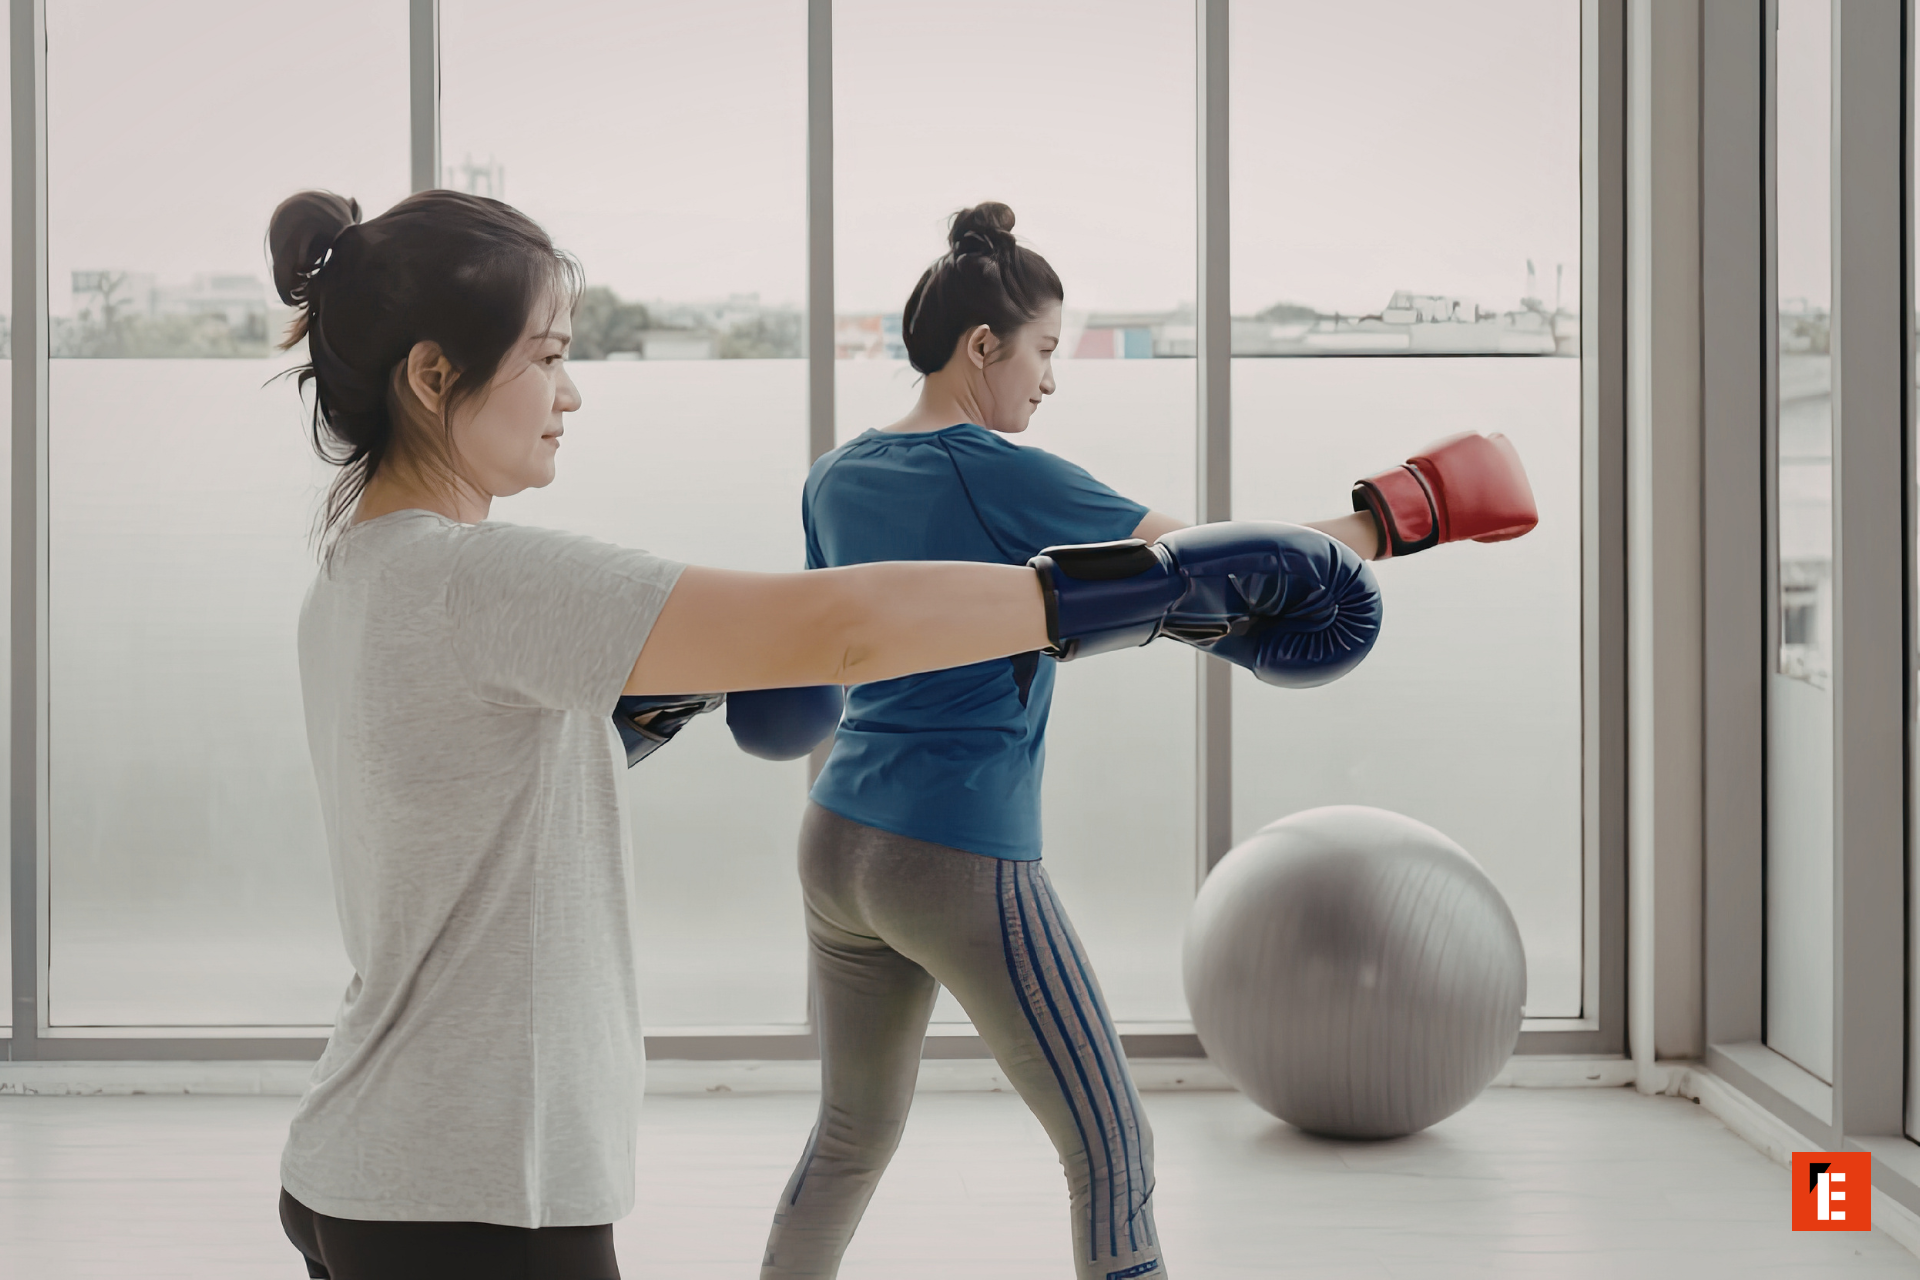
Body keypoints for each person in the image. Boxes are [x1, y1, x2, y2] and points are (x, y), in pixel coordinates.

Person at [266, 189, 1391, 1280]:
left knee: (855, 1129)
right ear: (431, 375)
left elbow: (455, 794)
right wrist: (1115, 593)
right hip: (471, 1193)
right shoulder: (484, 579)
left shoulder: (358, 578)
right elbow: (841, 622)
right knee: (1097, 1139)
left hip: (364, 1158)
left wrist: (634, 725)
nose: (572, 393)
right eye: (550, 355)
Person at [758, 203, 1536, 1280]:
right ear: (983, 347)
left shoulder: (834, 473)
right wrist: (1403, 515)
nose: (1049, 378)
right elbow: (1224, 567)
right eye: (1041, 351)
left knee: (850, 1132)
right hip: (955, 849)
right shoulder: (999, 470)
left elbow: (820, 649)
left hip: (836, 841)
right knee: (1112, 1145)